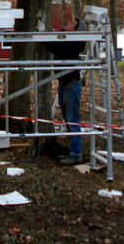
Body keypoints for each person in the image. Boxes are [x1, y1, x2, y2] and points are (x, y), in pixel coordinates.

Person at [45, 18, 86, 165]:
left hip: (71, 85)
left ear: (75, 30)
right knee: (68, 119)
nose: (68, 23)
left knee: (72, 120)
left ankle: (76, 154)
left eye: (71, 24)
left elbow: (54, 48)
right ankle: (73, 151)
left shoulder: (73, 43)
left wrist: (42, 34)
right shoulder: (69, 40)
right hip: (65, 84)